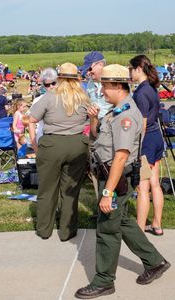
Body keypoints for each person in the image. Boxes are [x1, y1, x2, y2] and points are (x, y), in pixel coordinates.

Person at [75, 64, 170, 299]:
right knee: (123, 221)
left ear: (118, 86)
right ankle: (155, 262)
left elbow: (121, 156)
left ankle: (104, 281)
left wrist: (107, 193)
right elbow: (99, 139)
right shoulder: (116, 111)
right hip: (111, 175)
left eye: (105, 86)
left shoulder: (126, 115)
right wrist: (94, 120)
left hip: (115, 179)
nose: (103, 91)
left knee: (107, 229)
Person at [29, 62, 90, 241]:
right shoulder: (83, 97)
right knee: (70, 190)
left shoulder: (49, 96)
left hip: (52, 144)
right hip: (77, 144)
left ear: (59, 78)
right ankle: (67, 231)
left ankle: (44, 229)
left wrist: (34, 144)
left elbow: (31, 119)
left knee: (47, 190)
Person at [129, 55, 165, 235]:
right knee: (155, 183)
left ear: (138, 69)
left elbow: (141, 124)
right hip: (156, 138)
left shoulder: (141, 92)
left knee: (142, 186)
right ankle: (157, 224)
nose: (130, 73)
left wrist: (136, 147)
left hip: (147, 141)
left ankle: (139, 229)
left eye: (131, 69)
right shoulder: (151, 88)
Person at [29, 67, 58, 153]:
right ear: (43, 85)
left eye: (53, 83)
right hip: (44, 140)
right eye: (47, 85)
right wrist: (34, 146)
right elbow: (31, 124)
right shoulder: (38, 100)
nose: (51, 87)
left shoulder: (64, 99)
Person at [80, 51, 112, 119]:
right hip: (94, 122)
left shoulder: (114, 81)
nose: (88, 73)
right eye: (87, 70)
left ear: (100, 65)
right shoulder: (90, 83)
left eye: (90, 69)